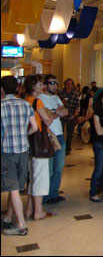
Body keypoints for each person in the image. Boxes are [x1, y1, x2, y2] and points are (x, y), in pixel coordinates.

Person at [1, 76, 38, 236]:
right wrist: (23, 134)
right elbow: (35, 127)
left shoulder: (1, 106)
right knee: (15, 187)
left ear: (2, 89)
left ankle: (21, 226)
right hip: (23, 151)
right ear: (17, 88)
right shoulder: (25, 104)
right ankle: (8, 217)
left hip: (7, 152)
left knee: (13, 187)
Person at [23, 75, 57, 221]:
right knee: (40, 177)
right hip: (39, 143)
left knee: (32, 177)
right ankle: (39, 210)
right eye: (40, 84)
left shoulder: (25, 101)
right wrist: (51, 114)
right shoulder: (38, 101)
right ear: (34, 86)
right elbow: (47, 120)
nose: (42, 86)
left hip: (29, 143)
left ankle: (29, 208)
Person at [39, 74, 68, 204]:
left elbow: (65, 112)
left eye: (56, 83)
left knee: (58, 167)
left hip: (60, 135)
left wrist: (52, 112)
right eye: (51, 83)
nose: (54, 85)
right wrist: (56, 112)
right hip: (48, 136)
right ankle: (46, 196)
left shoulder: (57, 98)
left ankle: (54, 193)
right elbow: (46, 117)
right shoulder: (40, 98)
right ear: (45, 85)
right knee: (49, 169)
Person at [58, 78, 80, 155]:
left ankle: (68, 148)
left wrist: (76, 113)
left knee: (70, 134)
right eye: (67, 83)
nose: (68, 85)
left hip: (71, 115)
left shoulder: (75, 94)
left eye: (70, 83)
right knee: (61, 132)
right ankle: (61, 148)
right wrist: (62, 103)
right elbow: (57, 104)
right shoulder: (60, 93)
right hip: (62, 116)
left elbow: (77, 105)